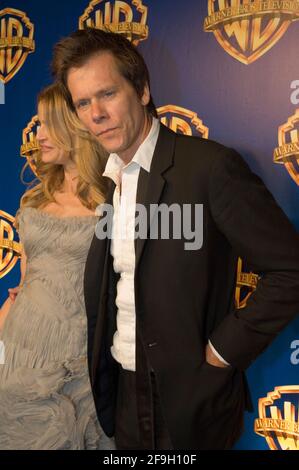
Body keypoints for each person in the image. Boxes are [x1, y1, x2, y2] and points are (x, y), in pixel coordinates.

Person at [52, 28, 299, 450]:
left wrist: (221, 351)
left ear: (143, 90)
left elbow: (290, 270)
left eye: (107, 94)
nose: (96, 113)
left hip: (190, 400)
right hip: (123, 395)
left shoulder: (210, 167)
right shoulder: (111, 181)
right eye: (82, 103)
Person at [0, 83, 115, 450]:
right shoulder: (34, 199)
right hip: (19, 351)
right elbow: (23, 284)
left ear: (76, 126)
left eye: (49, 124)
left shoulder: (116, 201)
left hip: (81, 361)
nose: (39, 135)